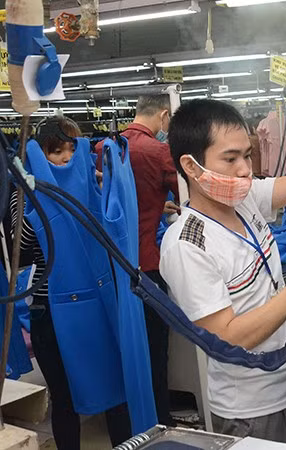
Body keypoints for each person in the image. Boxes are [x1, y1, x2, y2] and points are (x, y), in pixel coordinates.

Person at [160, 98, 286, 445]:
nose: (244, 169)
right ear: (191, 167)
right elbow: (227, 337)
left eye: (247, 155)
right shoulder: (188, 245)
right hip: (251, 406)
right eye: (230, 158)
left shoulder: (245, 198)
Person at [12, 116, 132, 448]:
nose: (66, 158)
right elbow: (19, 252)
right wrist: (30, 200)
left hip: (99, 297)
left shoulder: (88, 182)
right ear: (40, 152)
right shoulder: (30, 188)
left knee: (114, 386)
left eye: (70, 149)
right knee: (64, 399)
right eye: (56, 151)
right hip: (48, 306)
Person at [95, 94, 180, 428]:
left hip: (113, 264)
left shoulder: (104, 148)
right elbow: (190, 197)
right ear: (162, 115)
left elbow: (120, 200)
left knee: (125, 346)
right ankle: (159, 419)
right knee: (155, 349)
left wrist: (155, 206)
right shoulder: (159, 151)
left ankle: (127, 415)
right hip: (146, 265)